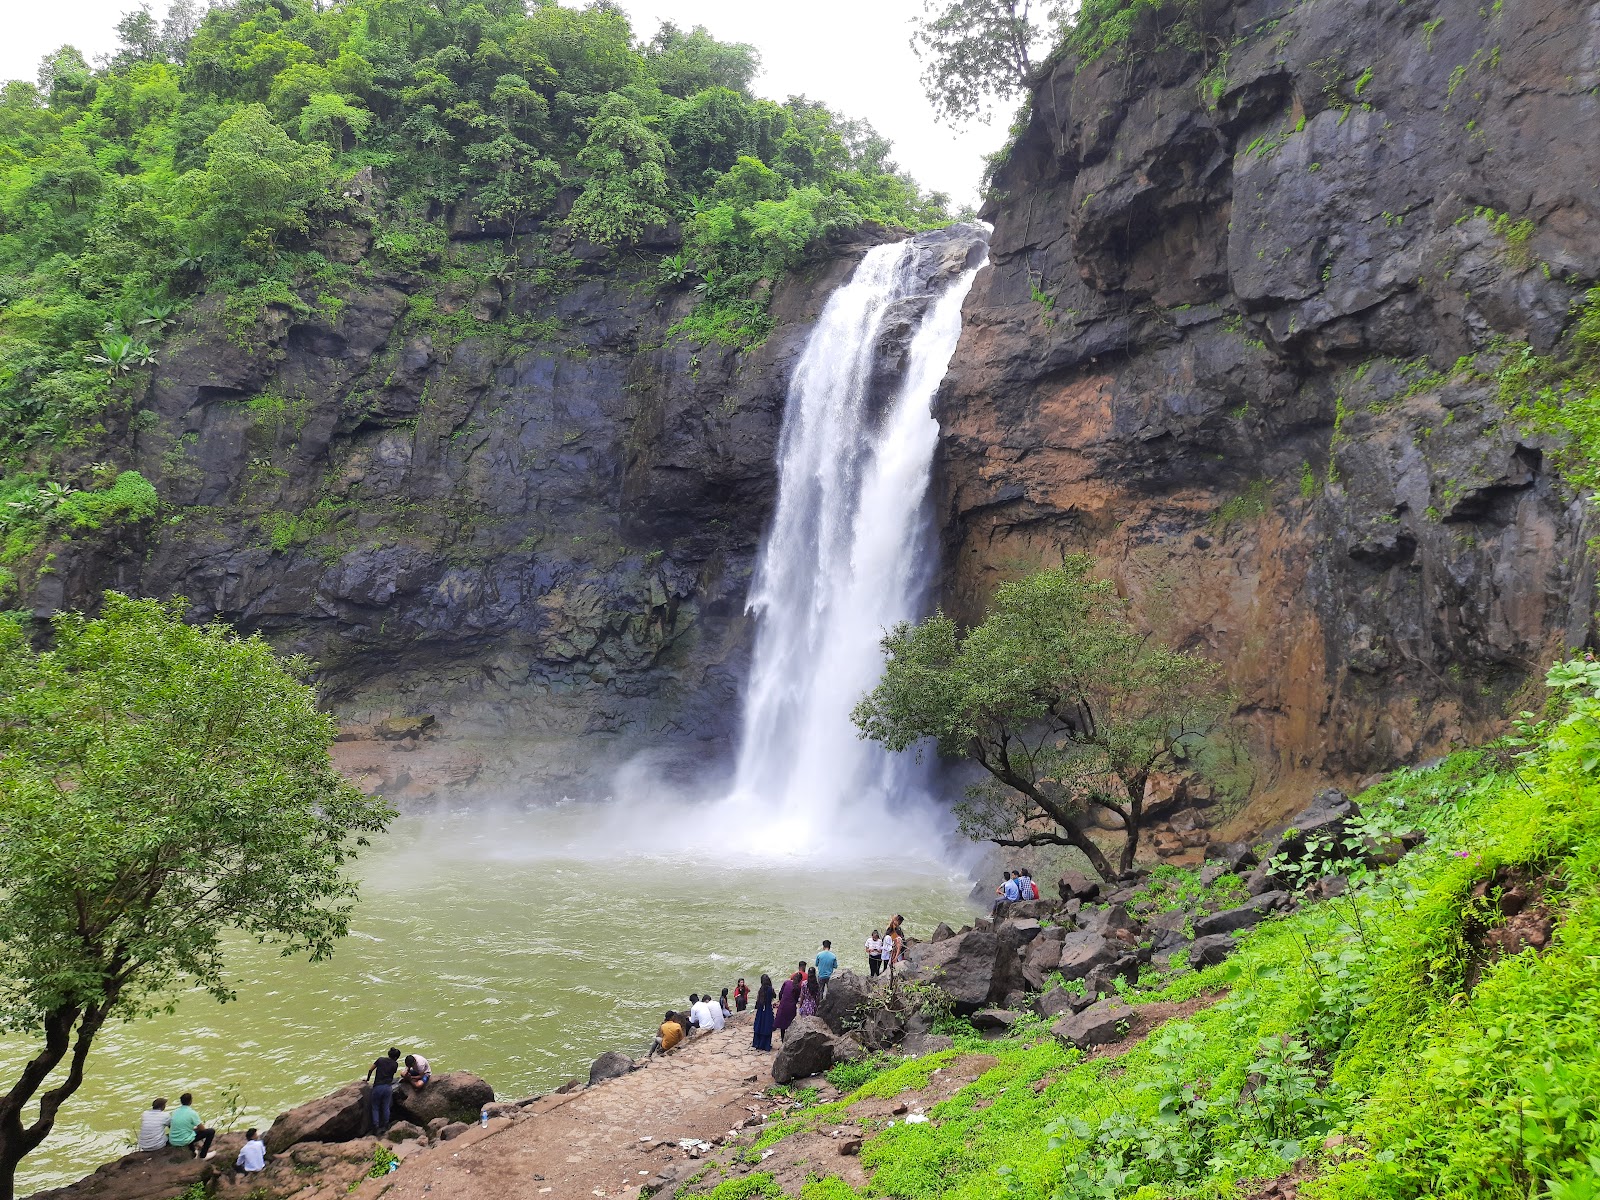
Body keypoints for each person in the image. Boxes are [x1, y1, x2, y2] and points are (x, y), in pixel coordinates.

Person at [167, 1093, 215, 1159]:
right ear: (190, 1101)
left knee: (189, 1131)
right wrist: (197, 1128)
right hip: (183, 1140)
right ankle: (203, 1155)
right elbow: (202, 1129)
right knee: (211, 1132)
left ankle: (193, 1151)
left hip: (173, 1140)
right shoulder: (192, 1113)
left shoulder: (175, 1111)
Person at [366, 1047, 401, 1133]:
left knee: (375, 1107)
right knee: (385, 1107)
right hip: (387, 1088)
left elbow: (370, 1070)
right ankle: (386, 1126)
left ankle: (376, 1127)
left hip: (378, 1087)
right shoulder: (395, 1064)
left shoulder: (380, 1060)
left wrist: (367, 1079)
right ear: (396, 1057)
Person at [751, 975, 776, 1052]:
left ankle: (757, 1043)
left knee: (759, 1025)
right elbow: (774, 996)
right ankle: (765, 1045)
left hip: (761, 1010)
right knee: (767, 1026)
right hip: (767, 1009)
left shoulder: (761, 990)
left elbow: (758, 1001)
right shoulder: (770, 990)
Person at [774, 972, 799, 1041]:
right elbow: (796, 999)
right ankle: (788, 1040)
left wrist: (780, 1001)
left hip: (784, 1005)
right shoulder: (797, 987)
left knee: (782, 1024)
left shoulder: (787, 982)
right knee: (790, 1024)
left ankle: (782, 1039)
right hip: (791, 1006)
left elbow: (780, 993)